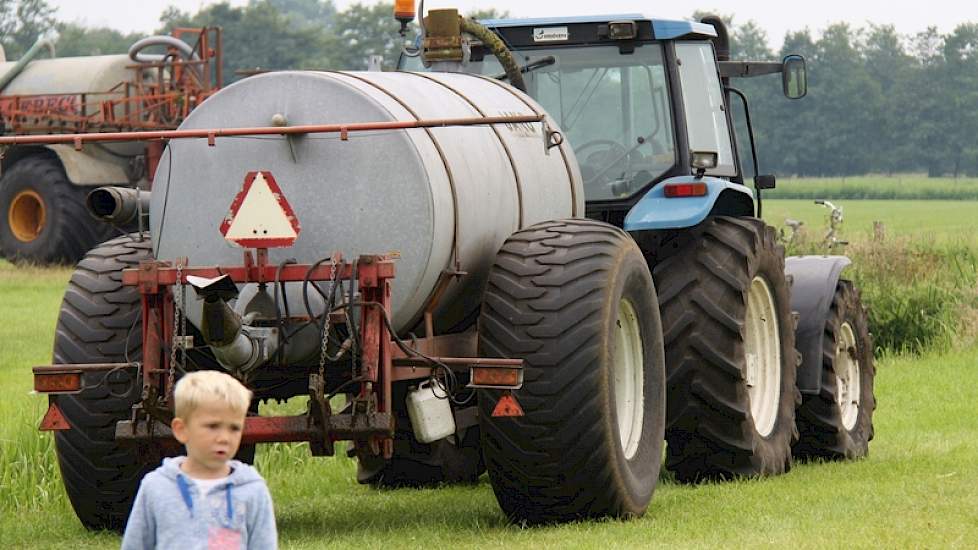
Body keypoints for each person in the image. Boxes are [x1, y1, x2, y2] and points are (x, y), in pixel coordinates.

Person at [121, 371, 277, 549]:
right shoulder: (156, 488)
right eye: (213, 426)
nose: (224, 438)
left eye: (234, 428)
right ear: (181, 430)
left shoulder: (253, 490)